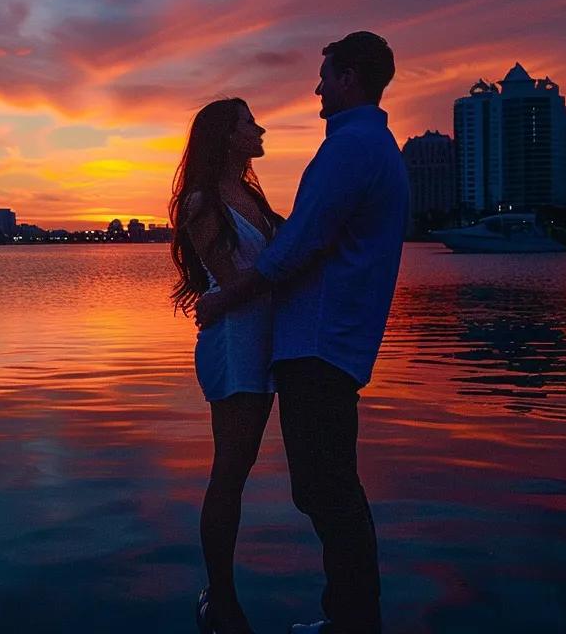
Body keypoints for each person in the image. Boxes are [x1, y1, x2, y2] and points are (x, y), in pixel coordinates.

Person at [194, 31, 408, 634]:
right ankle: (344, 616)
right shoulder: (370, 146)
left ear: (348, 78)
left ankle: (351, 622)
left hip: (316, 342)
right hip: (309, 341)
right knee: (325, 486)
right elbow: (293, 243)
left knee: (327, 489)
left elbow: (295, 249)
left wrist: (228, 298)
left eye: (325, 76)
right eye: (248, 121)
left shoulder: (350, 150)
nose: (316, 87)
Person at [168, 97, 283, 634]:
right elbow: (230, 279)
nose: (259, 129)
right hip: (235, 342)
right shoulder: (202, 200)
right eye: (248, 123)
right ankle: (221, 596)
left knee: (240, 468)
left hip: (262, 338)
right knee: (230, 473)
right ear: (226, 134)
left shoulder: (250, 194)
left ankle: (223, 595)